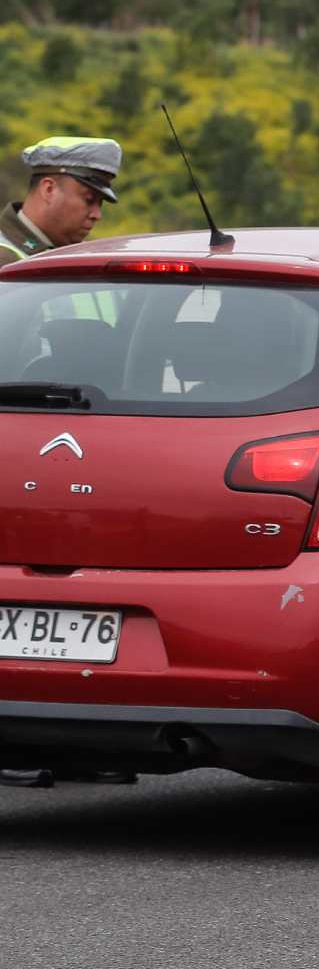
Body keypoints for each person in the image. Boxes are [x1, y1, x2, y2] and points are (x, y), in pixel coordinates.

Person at [1, 135, 134, 789]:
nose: (97, 213)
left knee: (76, 597)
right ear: (47, 187)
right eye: (87, 196)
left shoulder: (83, 268)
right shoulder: (5, 263)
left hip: (80, 451)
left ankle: (77, 736)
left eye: (101, 201)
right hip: (19, 446)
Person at [0, 136, 122, 261]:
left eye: (100, 203)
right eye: (89, 200)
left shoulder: (76, 256)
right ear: (49, 190)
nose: (97, 215)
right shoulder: (5, 260)